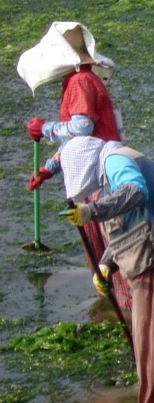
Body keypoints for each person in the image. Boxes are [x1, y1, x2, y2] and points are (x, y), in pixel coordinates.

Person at [58, 136, 154, 403]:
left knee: (153, 340)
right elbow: (129, 218)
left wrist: (91, 212)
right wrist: (106, 264)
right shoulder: (119, 158)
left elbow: (135, 193)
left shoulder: (115, 161)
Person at [18, 21, 132, 314]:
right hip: (95, 172)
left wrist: (45, 129)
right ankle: (117, 309)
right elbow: (76, 145)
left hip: (99, 179)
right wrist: (48, 169)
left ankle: (124, 313)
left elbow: (82, 128)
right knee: (101, 257)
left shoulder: (81, 81)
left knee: (108, 255)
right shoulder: (79, 80)